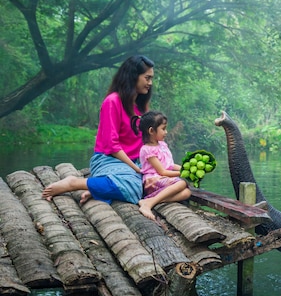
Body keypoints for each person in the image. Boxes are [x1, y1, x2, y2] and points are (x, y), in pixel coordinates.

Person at [43, 55, 155, 205]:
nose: (150, 83)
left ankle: (97, 190)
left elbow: (146, 144)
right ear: (133, 76)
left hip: (135, 163)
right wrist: (136, 169)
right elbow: (112, 146)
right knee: (132, 186)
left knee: (161, 183)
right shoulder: (113, 101)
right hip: (110, 159)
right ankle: (74, 183)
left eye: (151, 78)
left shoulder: (141, 107)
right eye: (147, 78)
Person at [131, 111, 191, 220]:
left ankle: (151, 200)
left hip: (164, 180)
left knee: (187, 193)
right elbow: (162, 171)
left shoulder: (162, 145)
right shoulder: (147, 150)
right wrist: (184, 173)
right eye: (163, 129)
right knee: (182, 183)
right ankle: (149, 204)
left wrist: (186, 168)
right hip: (153, 181)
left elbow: (170, 165)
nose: (166, 132)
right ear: (151, 131)